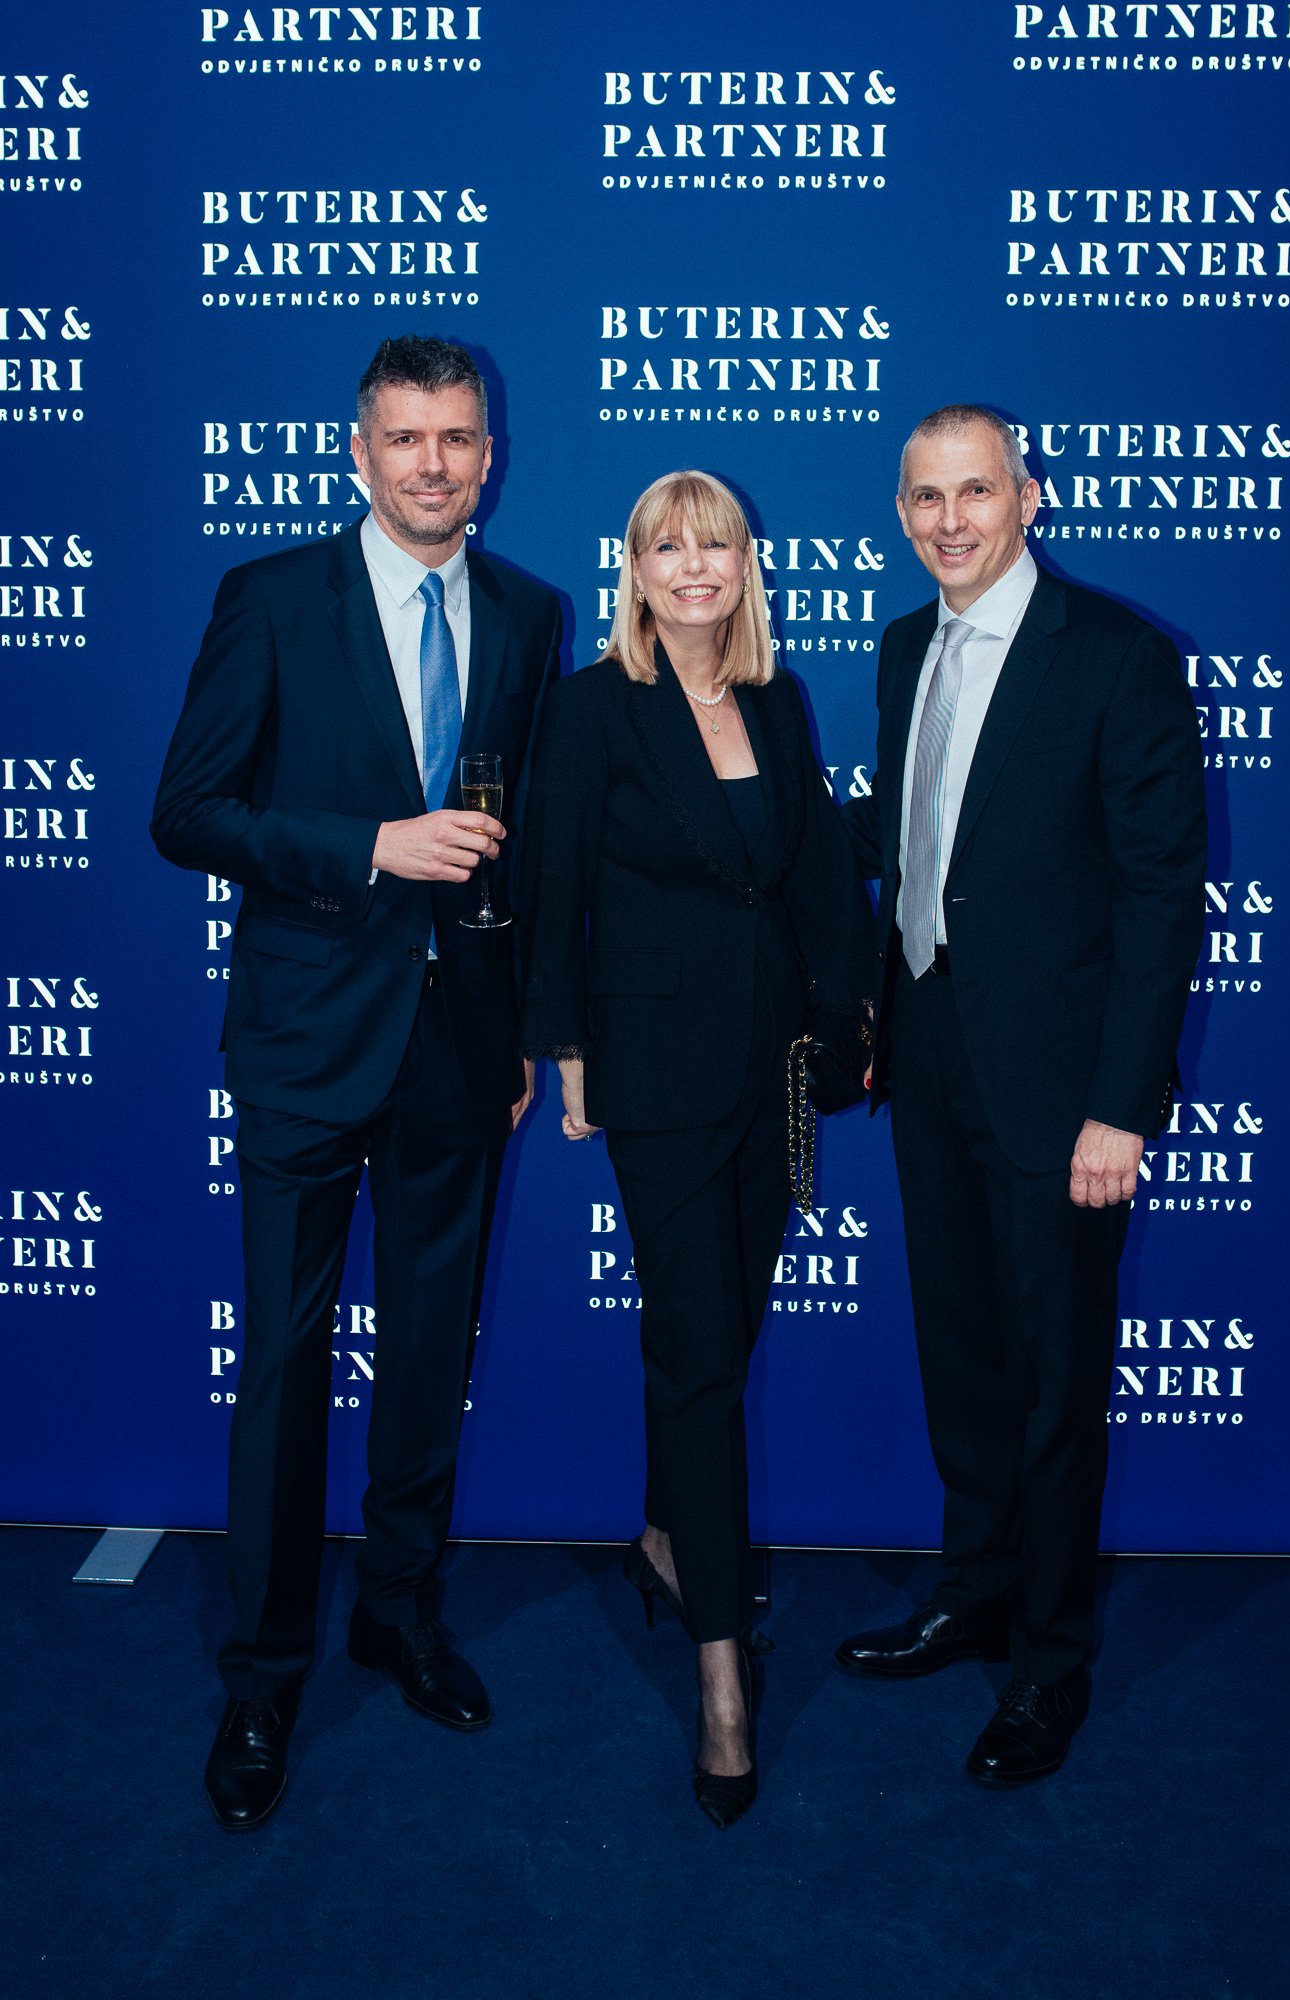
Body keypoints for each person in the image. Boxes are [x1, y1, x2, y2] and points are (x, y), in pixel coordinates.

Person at [152, 335, 561, 1830]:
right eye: (406, 438)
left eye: (456, 439)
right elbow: (187, 811)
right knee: (282, 1360)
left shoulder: (528, 613)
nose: (432, 465)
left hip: (460, 1051)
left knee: (430, 1349)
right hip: (307, 1042)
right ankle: (263, 1678)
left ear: (488, 456)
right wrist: (366, 847)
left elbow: (523, 851)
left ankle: (398, 1613)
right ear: (360, 451)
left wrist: (519, 1034)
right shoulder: (270, 599)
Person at [836, 404, 1207, 1785]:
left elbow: (1161, 899)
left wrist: (1122, 1106)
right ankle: (975, 1589)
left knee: (1054, 1380)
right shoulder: (902, 647)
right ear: (901, 512)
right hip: (927, 1056)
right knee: (962, 1354)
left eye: (975, 492)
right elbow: (906, 839)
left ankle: (1049, 1664)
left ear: (1028, 497)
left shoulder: (1114, 656)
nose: (950, 521)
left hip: (1063, 1095)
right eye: (925, 498)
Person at [520, 471, 875, 1828]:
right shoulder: (592, 706)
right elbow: (552, 882)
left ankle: (669, 1538)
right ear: (635, 570)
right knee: (697, 1352)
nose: (691, 567)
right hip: (658, 1079)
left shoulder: (777, 701)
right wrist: (564, 1049)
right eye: (665, 547)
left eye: (713, 545)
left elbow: (813, 877)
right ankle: (723, 1678)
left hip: (771, 1073)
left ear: (743, 568)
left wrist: (851, 1021)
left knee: (717, 1340)